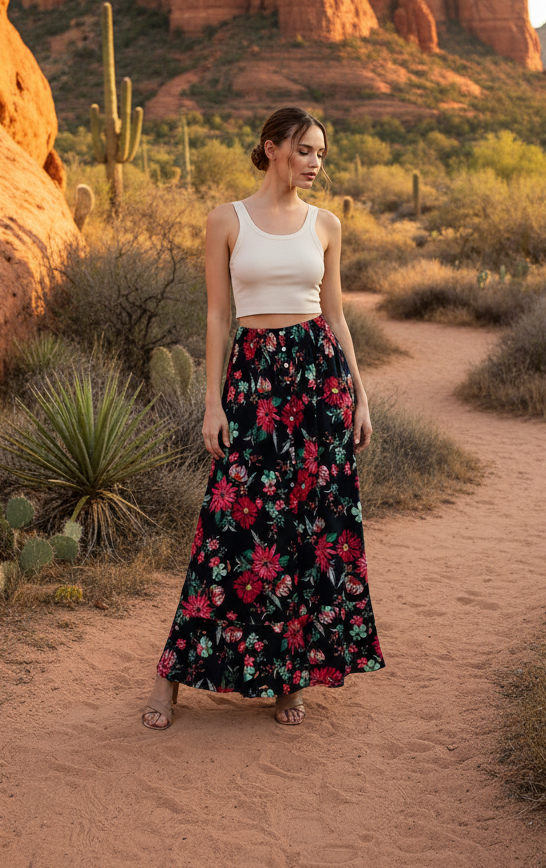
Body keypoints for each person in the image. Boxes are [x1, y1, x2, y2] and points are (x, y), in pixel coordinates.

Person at [142, 106, 385, 729]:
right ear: (272, 147)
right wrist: (212, 400)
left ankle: (289, 679)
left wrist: (359, 392)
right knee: (226, 525)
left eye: (322, 154)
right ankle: (171, 678)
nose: (315, 163)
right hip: (253, 379)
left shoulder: (327, 225)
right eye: (305, 150)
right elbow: (218, 316)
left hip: (317, 379)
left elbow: (335, 316)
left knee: (309, 533)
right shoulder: (227, 220)